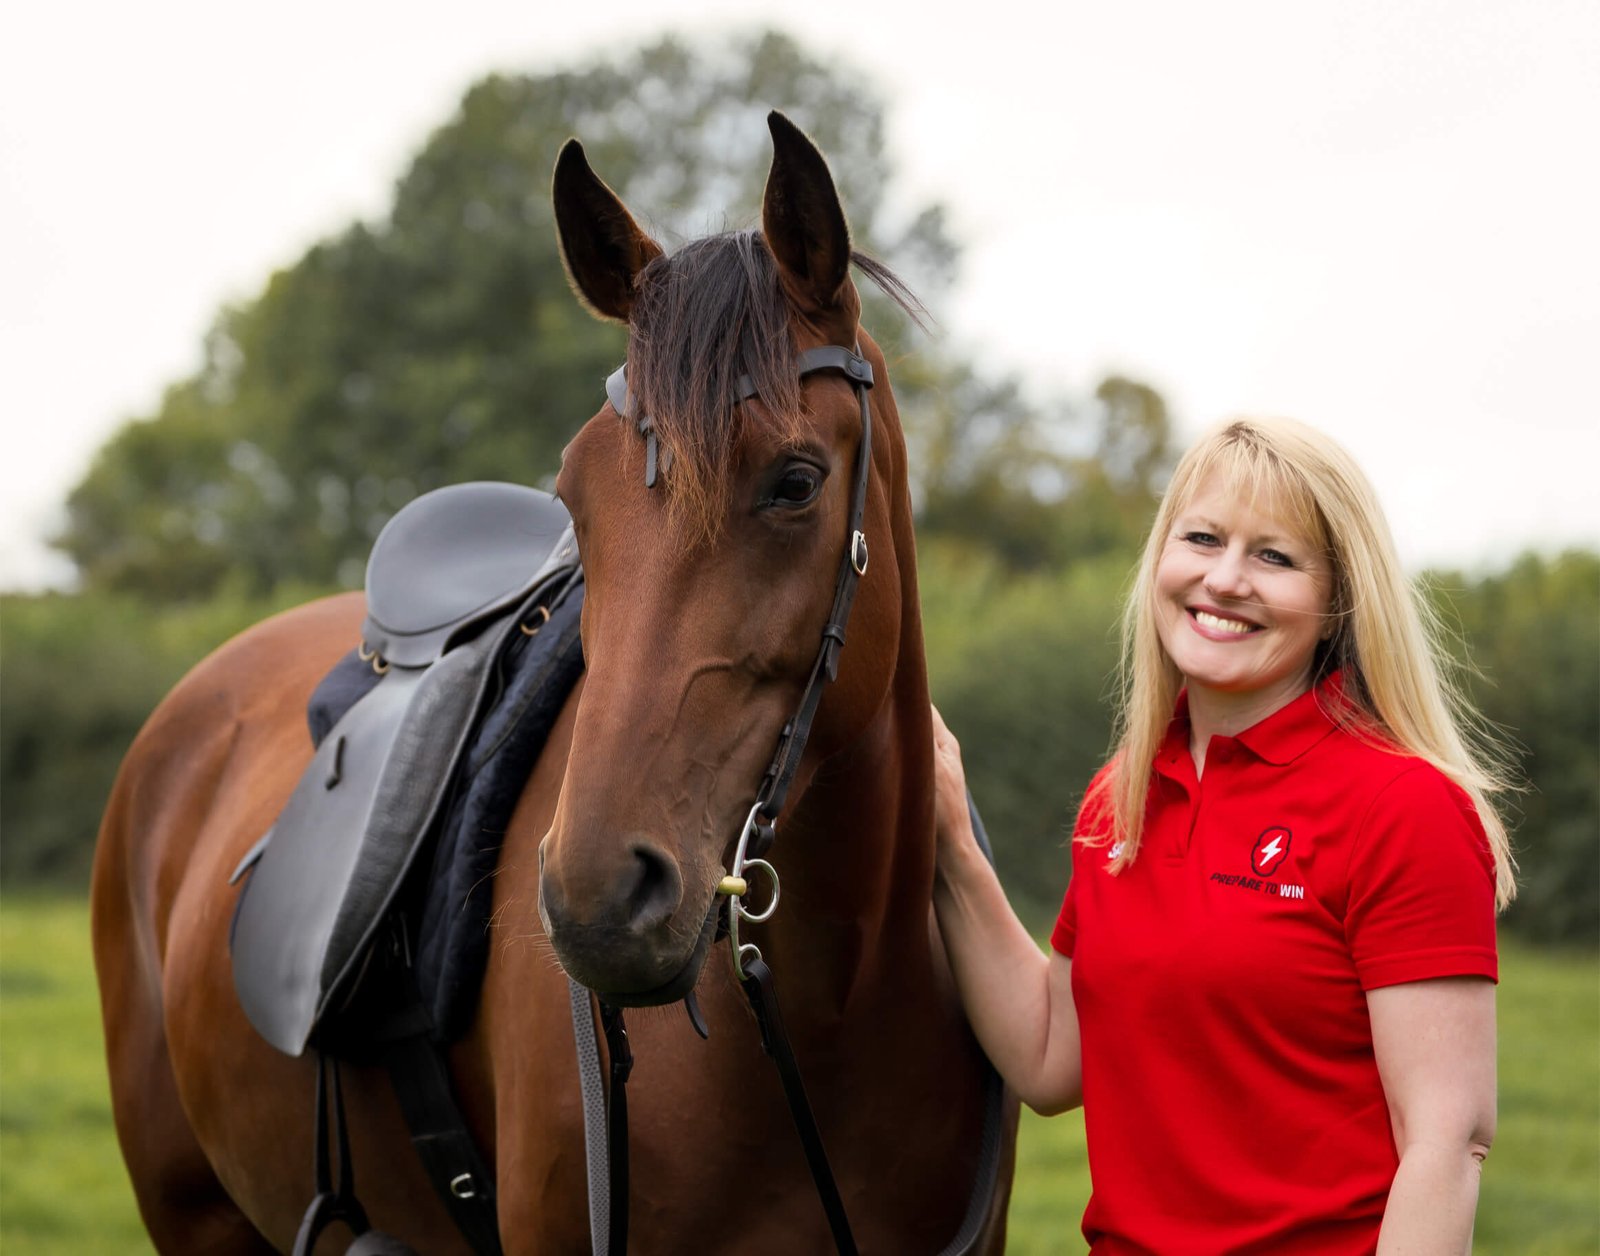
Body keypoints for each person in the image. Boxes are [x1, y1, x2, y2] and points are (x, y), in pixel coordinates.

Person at [931, 415, 1516, 1254]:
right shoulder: (1119, 799)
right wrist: (953, 845)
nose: (1226, 579)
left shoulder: (1405, 806)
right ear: (1161, 560)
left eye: (1274, 557)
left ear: (1339, 600)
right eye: (1202, 538)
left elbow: (1447, 1142)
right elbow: (1052, 1056)